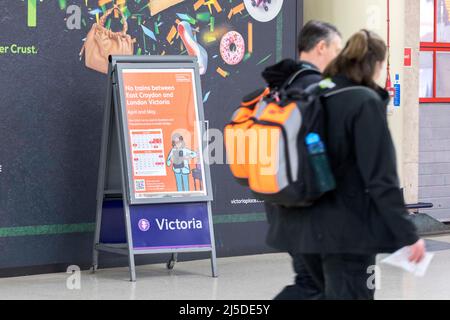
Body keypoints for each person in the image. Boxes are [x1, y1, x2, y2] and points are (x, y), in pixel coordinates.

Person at [274, 29, 425, 300]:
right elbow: (381, 179)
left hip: (304, 228)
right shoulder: (363, 102)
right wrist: (408, 233)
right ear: (377, 65)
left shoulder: (317, 91)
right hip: (346, 233)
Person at [262, 20, 343, 300]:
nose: (339, 57)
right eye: (337, 49)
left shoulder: (277, 87)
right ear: (321, 47)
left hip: (279, 202)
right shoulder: (320, 89)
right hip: (309, 208)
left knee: (311, 281)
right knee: (314, 285)